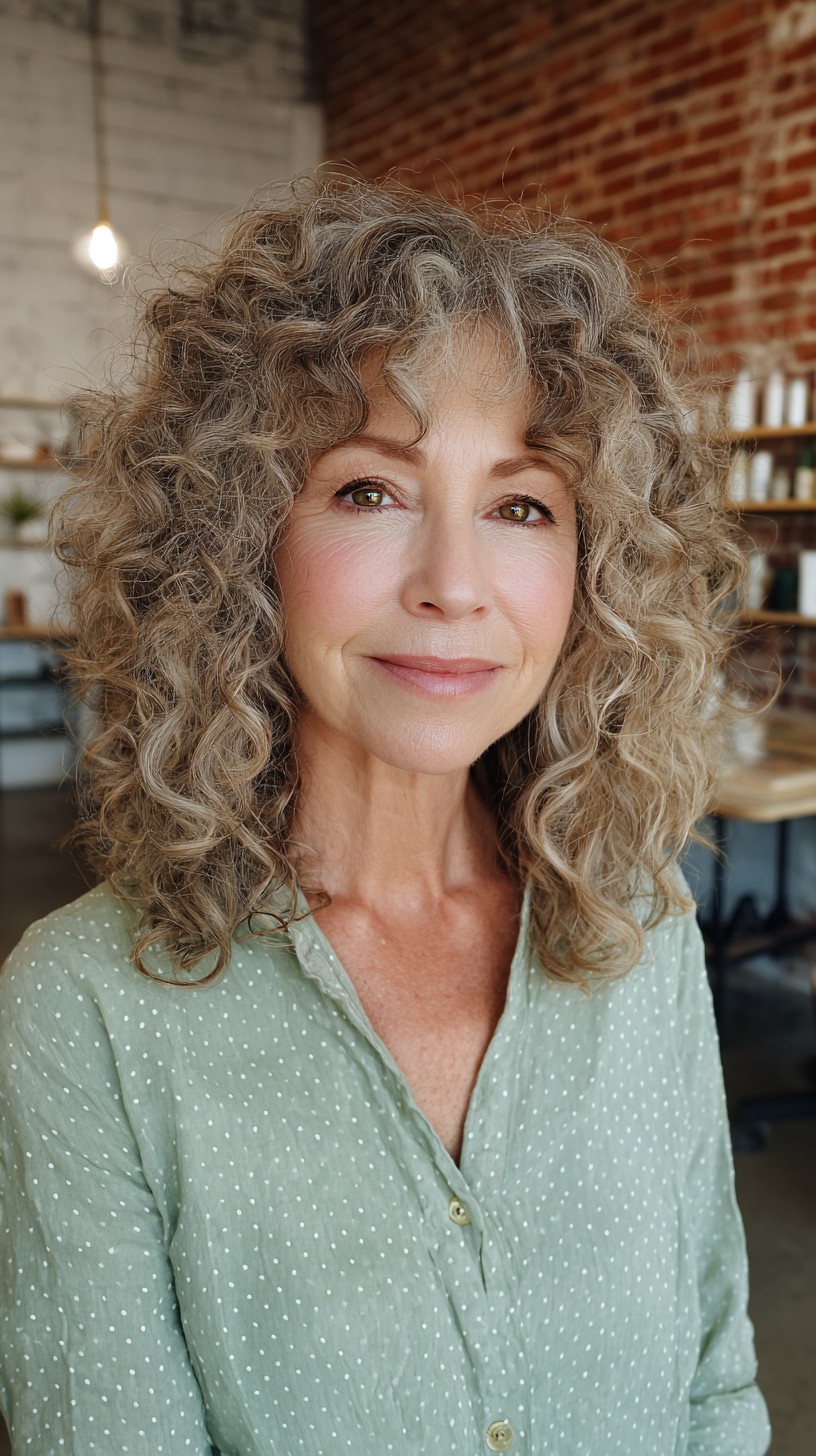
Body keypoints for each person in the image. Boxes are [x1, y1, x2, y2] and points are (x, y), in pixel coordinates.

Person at [0, 173, 771, 1455]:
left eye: (523, 505)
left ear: (591, 574)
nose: (454, 584)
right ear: (242, 536)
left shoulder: (643, 927)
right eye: (371, 489)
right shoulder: (89, 1011)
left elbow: (714, 1391)